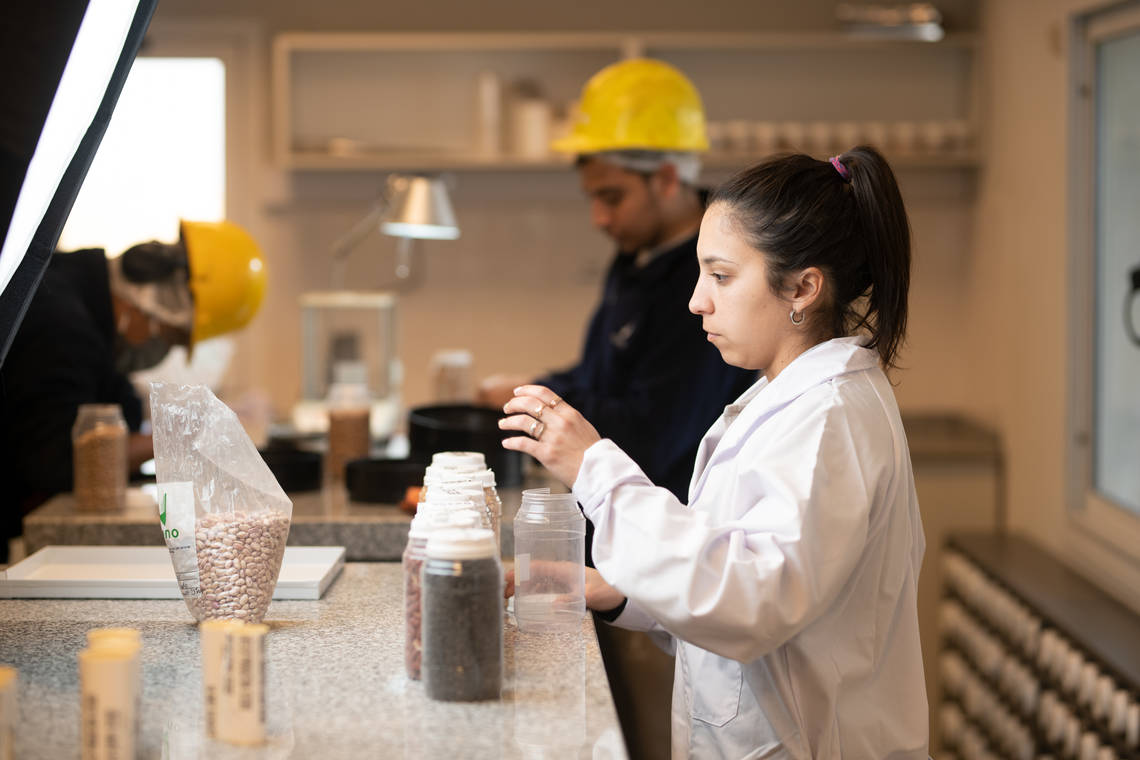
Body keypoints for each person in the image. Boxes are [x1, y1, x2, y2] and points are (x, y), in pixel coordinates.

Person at [500, 147, 928, 757]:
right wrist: (616, 592)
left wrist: (594, 466)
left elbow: (752, 604)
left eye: (721, 276)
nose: (697, 300)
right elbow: (734, 574)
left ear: (803, 288)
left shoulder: (830, 419)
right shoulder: (779, 398)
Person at [478, 58, 755, 501]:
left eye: (612, 197)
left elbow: (652, 434)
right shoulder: (637, 255)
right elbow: (605, 374)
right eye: (593, 198)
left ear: (665, 179)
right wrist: (541, 384)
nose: (599, 219)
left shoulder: (706, 283)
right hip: (613, 512)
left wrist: (546, 406)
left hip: (665, 526)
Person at [0, 220, 266, 559]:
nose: (162, 349)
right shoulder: (61, 325)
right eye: (171, 336)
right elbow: (61, 462)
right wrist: (179, 435)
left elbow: (114, 401)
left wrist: (190, 412)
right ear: (146, 303)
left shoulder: (81, 296)